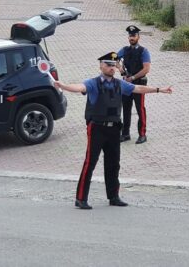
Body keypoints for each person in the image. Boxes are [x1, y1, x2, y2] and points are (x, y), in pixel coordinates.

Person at [54, 52, 173, 210]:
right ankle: (81, 198)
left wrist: (159, 89)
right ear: (101, 66)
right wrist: (63, 86)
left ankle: (113, 196)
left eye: (113, 65)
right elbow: (79, 87)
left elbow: (138, 88)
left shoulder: (119, 84)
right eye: (108, 64)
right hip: (97, 128)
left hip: (114, 129)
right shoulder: (93, 83)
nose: (111, 67)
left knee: (113, 164)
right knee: (90, 163)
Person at [117, 25, 151, 144]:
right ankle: (125, 134)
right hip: (127, 85)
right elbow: (114, 59)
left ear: (138, 37)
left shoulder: (143, 51)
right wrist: (121, 70)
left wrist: (133, 77)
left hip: (139, 84)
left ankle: (142, 134)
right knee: (126, 109)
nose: (132, 38)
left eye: (134, 35)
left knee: (140, 109)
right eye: (130, 36)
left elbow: (146, 69)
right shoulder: (124, 50)